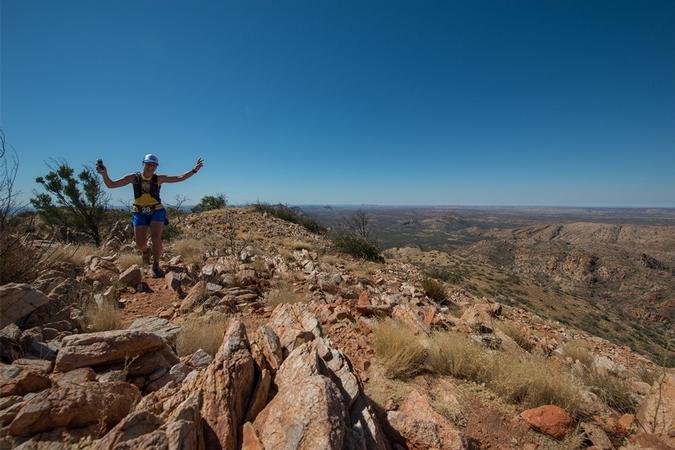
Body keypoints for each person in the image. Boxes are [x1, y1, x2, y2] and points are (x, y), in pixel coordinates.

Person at [96, 154, 204, 278]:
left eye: (154, 165)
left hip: (156, 211)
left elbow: (180, 178)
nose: (151, 167)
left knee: (156, 238)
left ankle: (156, 266)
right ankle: (146, 252)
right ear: (143, 164)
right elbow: (111, 185)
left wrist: (194, 170)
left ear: (156, 167)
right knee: (140, 243)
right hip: (139, 212)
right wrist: (104, 174)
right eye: (148, 164)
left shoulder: (159, 178)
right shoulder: (133, 178)